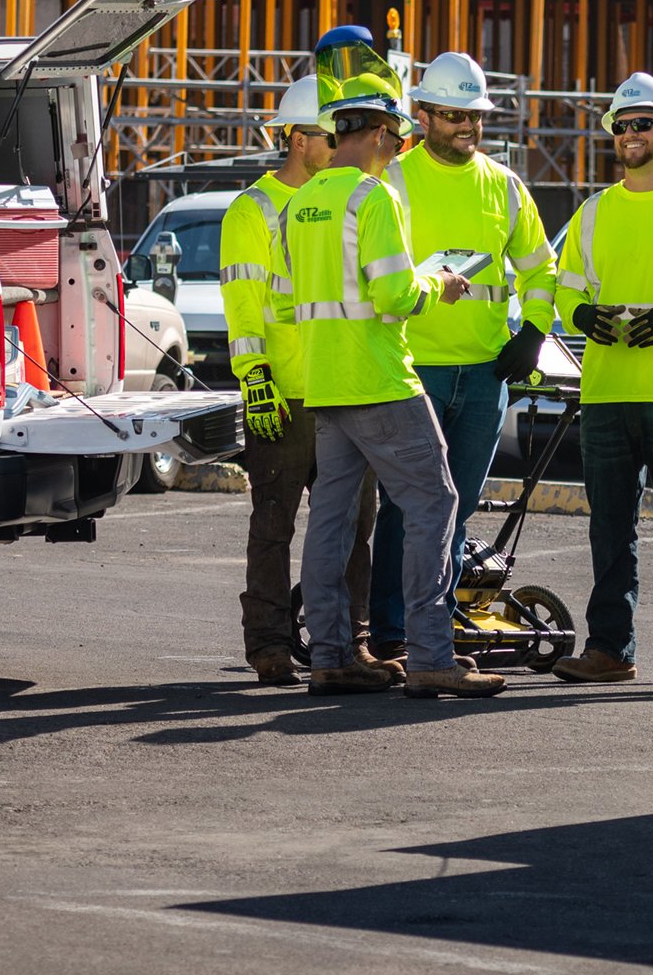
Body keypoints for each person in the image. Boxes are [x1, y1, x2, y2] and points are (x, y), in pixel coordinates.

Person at [277, 41, 503, 701]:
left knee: (332, 519)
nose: (399, 149)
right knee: (435, 501)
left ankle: (333, 654)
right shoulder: (373, 199)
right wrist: (443, 285)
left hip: (326, 378)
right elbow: (395, 296)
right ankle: (433, 654)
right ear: (379, 132)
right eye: (397, 139)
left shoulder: (304, 201)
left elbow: (298, 293)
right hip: (380, 377)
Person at [366, 50, 554, 660]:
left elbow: (539, 268)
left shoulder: (504, 186)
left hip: (482, 373)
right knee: (404, 506)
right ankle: (395, 632)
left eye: (474, 114)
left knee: (457, 505)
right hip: (409, 370)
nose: (467, 126)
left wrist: (534, 331)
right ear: (421, 116)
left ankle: (433, 625)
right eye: (452, 115)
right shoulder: (391, 181)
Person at [546, 71, 653, 685]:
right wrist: (584, 315)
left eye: (642, 123)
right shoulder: (594, 212)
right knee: (609, 530)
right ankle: (610, 649)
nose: (630, 134)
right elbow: (567, 292)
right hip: (607, 393)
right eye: (621, 125)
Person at [222, 74, 373, 685]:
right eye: (326, 134)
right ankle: (269, 645)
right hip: (284, 394)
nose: (337, 144)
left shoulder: (344, 198)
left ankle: (350, 643)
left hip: (342, 389)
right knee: (274, 525)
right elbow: (244, 303)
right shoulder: (252, 210)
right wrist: (255, 376)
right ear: (295, 138)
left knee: (353, 532)